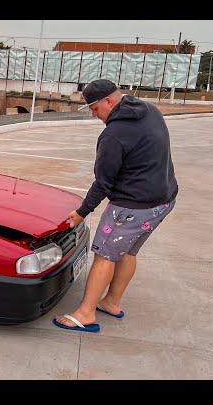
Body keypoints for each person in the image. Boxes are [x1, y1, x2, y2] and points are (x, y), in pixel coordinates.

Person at [53, 79, 178, 333]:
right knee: (128, 252)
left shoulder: (113, 135)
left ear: (109, 101)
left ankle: (86, 313)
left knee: (104, 256)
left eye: (94, 108)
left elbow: (103, 184)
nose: (94, 114)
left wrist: (80, 213)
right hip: (163, 201)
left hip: (131, 207)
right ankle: (111, 301)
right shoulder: (150, 110)